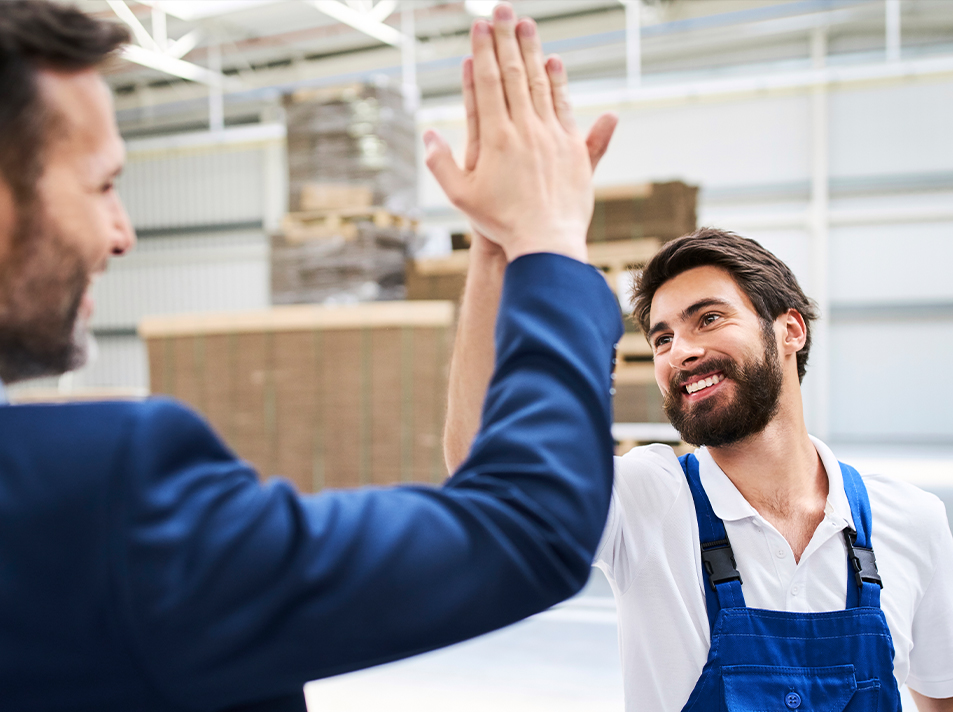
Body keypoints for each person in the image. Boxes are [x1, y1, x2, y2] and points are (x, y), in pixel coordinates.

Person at [0, 2, 623, 710]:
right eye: (103, 184)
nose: (122, 233)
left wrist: (499, 244)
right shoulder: (99, 493)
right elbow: (528, 524)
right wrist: (548, 240)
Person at [444, 227, 953, 711]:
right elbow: (489, 469)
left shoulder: (911, 521)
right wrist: (491, 244)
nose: (681, 352)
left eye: (708, 318)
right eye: (662, 339)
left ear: (790, 330)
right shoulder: (645, 502)